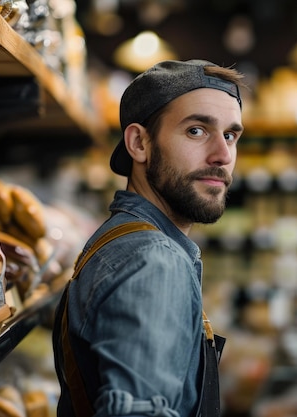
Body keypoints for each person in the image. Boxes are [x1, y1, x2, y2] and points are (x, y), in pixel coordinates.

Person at [53, 59, 245, 417]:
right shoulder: (153, 260)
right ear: (139, 143)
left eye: (231, 135)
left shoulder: (123, 239)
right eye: (196, 131)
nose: (222, 155)